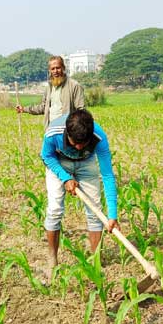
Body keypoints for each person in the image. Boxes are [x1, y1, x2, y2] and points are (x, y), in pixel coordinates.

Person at [40, 109, 118, 274]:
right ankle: (52, 258)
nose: (78, 147)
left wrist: (112, 215)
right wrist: (65, 178)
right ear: (67, 133)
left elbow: (107, 175)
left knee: (95, 210)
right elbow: (46, 156)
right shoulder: (53, 133)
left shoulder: (99, 138)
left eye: (83, 143)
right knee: (55, 209)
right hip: (58, 162)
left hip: (86, 163)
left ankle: (96, 261)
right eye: (74, 143)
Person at [16, 55, 85, 128]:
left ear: (63, 68)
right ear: (49, 70)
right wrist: (24, 109)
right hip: (50, 129)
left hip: (67, 130)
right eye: (53, 69)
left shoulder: (74, 86)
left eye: (58, 68)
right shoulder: (49, 87)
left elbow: (81, 111)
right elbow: (43, 107)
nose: (55, 71)